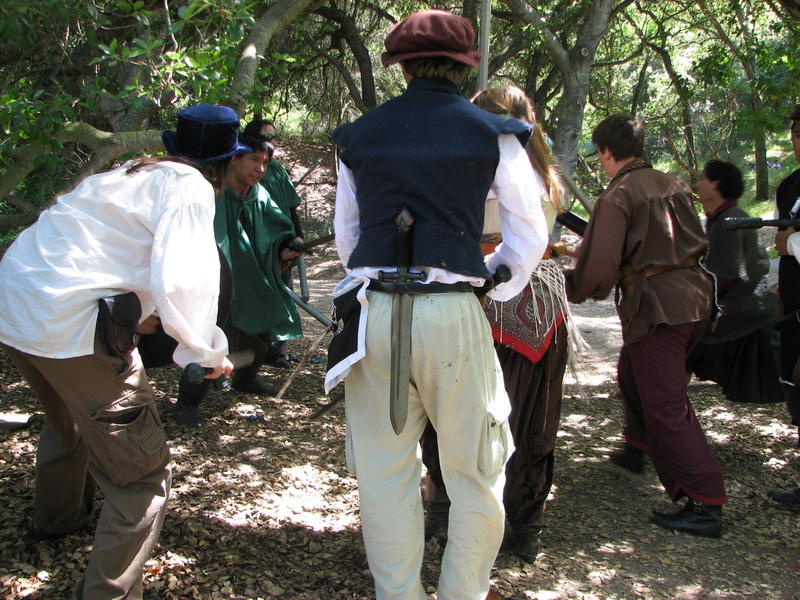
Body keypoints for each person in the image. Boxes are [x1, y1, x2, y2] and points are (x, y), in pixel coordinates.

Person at [327, 10, 548, 599]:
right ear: (465, 65)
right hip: (452, 312)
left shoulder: (357, 136)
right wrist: (494, 282)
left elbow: (348, 241)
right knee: (476, 469)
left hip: (376, 314)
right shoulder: (494, 133)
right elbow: (529, 233)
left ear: (400, 67)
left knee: (384, 475)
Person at [0, 103, 237, 599]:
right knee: (142, 476)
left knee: (69, 419)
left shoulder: (126, 173)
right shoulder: (189, 187)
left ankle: (57, 520)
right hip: (70, 325)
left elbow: (98, 251)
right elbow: (185, 280)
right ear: (225, 161)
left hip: (15, 307)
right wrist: (206, 353)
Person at [420, 85, 572, 563]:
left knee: (451, 408)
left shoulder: (477, 165)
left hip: (481, 292)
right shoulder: (546, 170)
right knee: (532, 415)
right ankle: (524, 524)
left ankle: (449, 510)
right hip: (540, 298)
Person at [564, 114, 727, 538]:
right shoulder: (674, 183)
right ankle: (636, 448)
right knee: (633, 376)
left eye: (599, 154)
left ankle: (705, 501)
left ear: (606, 151)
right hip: (695, 299)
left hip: (660, 308)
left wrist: (568, 285)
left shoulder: (618, 195)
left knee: (666, 405)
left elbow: (601, 266)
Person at [173, 133, 303, 427]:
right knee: (209, 342)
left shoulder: (260, 195)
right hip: (214, 283)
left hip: (252, 281)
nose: (260, 169)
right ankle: (188, 402)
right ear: (234, 159)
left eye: (265, 163)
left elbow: (278, 229)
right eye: (254, 160)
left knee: (260, 336)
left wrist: (285, 247)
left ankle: (246, 379)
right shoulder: (209, 192)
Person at [686, 160, 781, 403]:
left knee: (685, 341)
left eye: (703, 178)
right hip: (743, 307)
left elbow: (724, 276)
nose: (697, 184)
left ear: (716, 184)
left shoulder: (731, 220)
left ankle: (669, 401)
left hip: (745, 313)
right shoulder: (722, 219)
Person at [243, 118, 305, 369]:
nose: (273, 142)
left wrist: (297, 237)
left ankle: (276, 352)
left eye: (273, 137)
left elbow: (291, 206)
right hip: (257, 247)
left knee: (283, 294)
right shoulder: (245, 171)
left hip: (284, 244)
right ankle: (249, 358)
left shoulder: (277, 170)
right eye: (267, 137)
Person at [768, 104, 800, 505]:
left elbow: (785, 241)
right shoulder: (790, 186)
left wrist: (791, 242)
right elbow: (777, 239)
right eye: (796, 135)